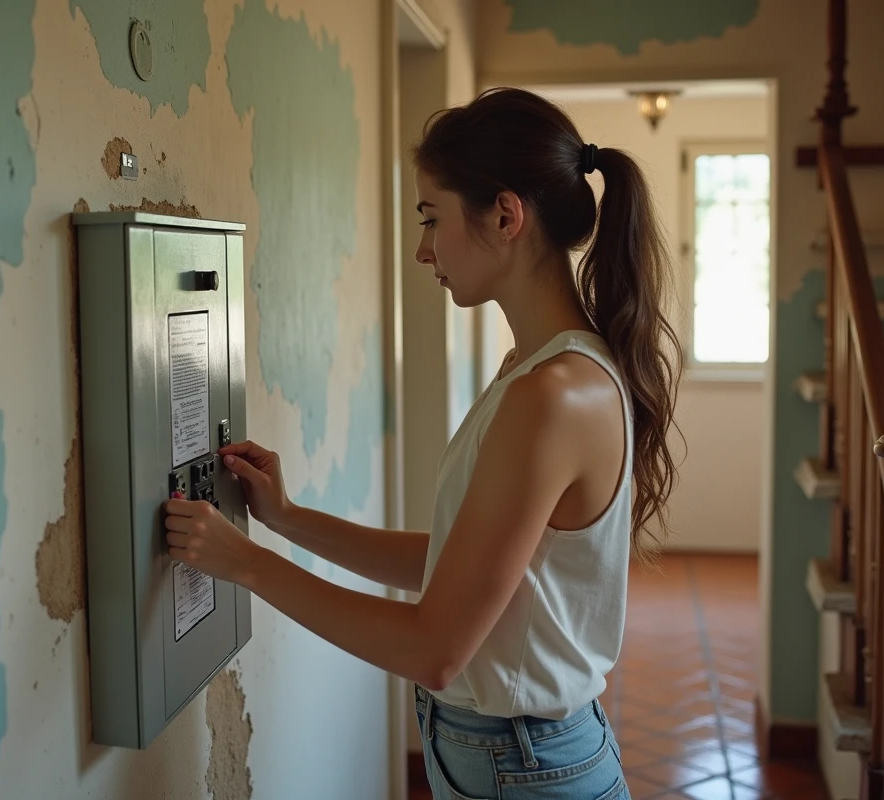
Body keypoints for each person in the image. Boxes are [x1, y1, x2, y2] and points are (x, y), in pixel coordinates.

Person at [163, 87, 681, 800]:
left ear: (505, 215)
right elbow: (458, 565)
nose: (421, 249)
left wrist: (247, 565)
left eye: (432, 218)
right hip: (508, 760)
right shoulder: (538, 373)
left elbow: (436, 650)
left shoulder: (553, 394)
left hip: (525, 770)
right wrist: (287, 519)